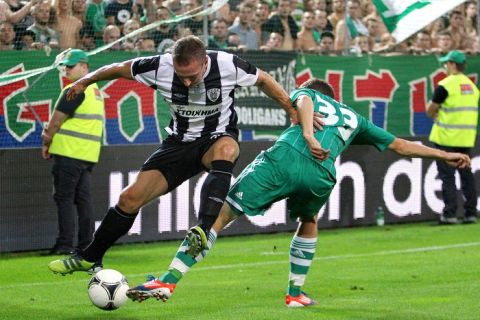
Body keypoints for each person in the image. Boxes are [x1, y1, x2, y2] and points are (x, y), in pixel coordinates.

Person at [124, 78, 471, 307]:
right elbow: (401, 145)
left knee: (220, 215)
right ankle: (295, 294)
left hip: (285, 158)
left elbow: (303, 100)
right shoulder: (354, 118)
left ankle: (168, 281)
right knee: (309, 218)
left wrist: (306, 134)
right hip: (322, 174)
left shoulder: (310, 94)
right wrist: (445, 154)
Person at [48, 35, 299, 273]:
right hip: (178, 144)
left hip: (215, 137)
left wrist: (290, 108)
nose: (187, 82)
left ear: (205, 61)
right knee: (129, 198)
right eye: (181, 77)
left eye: (192, 76)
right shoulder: (159, 66)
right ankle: (90, 257)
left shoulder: (227, 64)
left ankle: (202, 228)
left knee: (227, 149)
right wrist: (84, 81)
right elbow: (117, 68)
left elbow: (264, 79)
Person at [42, 49, 105, 255]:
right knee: (83, 201)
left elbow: (57, 119)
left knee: (64, 199)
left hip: (69, 152)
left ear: (84, 67)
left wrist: (47, 139)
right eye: (66, 66)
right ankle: (87, 244)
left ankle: (64, 244)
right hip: (88, 155)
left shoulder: (76, 89)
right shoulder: (95, 90)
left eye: (71, 66)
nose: (67, 70)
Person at [426, 50, 479, 224]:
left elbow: (430, 110)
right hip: (465, 138)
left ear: (452, 64)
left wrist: (436, 115)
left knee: (447, 176)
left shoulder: (445, 85)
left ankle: (450, 214)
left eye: (446, 63)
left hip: (446, 138)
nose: (445, 66)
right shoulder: (472, 87)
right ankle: (471, 212)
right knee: (466, 175)